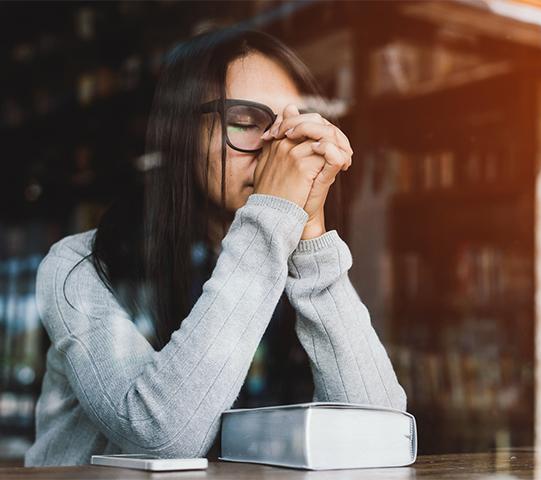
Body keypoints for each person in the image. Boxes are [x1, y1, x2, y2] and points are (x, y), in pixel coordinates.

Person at [25, 27, 407, 467]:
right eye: (245, 122)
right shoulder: (77, 268)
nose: (278, 152)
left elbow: (381, 437)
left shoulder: (283, 259)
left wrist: (312, 241)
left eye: (294, 129)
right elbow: (162, 437)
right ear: (182, 135)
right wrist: (273, 215)